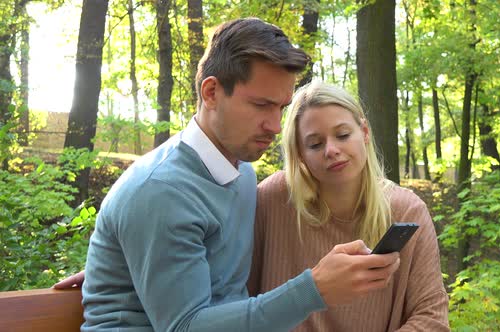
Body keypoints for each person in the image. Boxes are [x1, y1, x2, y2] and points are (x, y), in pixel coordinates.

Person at [68, 18, 400, 331]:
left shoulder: (241, 174)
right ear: (211, 92)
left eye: (281, 108)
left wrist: (139, 259)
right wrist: (313, 290)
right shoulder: (160, 191)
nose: (274, 126)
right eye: (260, 105)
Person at [247, 81, 450, 331]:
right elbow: (239, 298)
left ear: (364, 132)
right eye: (315, 144)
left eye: (342, 135)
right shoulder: (271, 199)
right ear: (300, 154)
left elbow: (432, 318)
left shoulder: (407, 210)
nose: (331, 150)